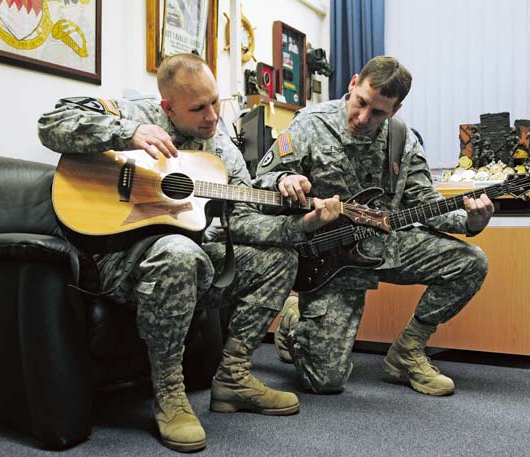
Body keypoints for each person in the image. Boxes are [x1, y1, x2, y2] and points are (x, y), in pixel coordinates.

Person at [37, 53, 340, 452]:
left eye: (215, 102)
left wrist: (301, 225)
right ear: (167, 107)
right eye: (198, 108)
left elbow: (243, 221)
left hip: (193, 261)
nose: (212, 116)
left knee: (279, 258)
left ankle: (233, 377)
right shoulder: (139, 112)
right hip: (119, 260)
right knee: (179, 250)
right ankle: (169, 393)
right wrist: (127, 133)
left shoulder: (222, 148)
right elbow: (50, 123)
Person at [254, 56, 495, 396]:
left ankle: (407, 354)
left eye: (378, 112)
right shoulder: (310, 124)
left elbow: (421, 202)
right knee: (324, 382)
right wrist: (284, 178)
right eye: (360, 103)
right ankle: (294, 318)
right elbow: (260, 180)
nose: (363, 118)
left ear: (394, 110)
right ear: (353, 84)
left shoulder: (403, 139)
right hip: (332, 260)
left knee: (471, 262)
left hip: (388, 244)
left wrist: (469, 220)